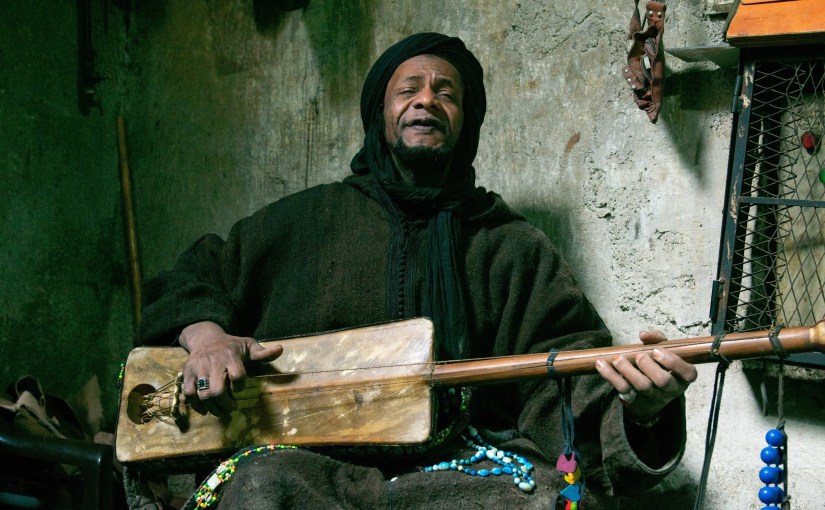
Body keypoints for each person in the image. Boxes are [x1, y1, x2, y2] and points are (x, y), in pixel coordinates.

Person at [136, 32, 697, 509]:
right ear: (379, 116)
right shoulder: (300, 222)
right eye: (408, 90)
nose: (426, 100)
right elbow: (191, 277)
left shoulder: (509, 246)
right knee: (260, 487)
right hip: (305, 464)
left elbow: (563, 378)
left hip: (457, 473)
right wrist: (207, 337)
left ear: (466, 121)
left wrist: (642, 412)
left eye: (445, 93)